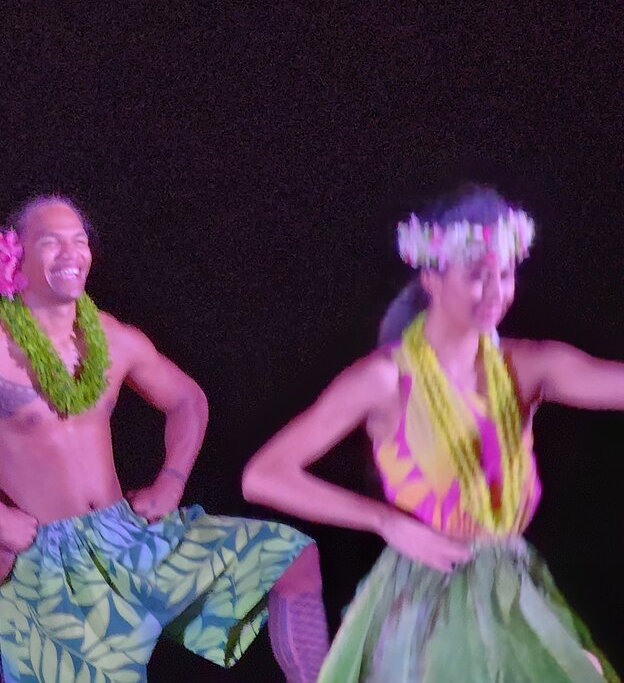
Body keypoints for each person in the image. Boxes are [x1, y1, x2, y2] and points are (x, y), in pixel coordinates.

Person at [0, 195, 328, 683]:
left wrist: (172, 481)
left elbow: (187, 400)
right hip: (51, 559)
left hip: (129, 535)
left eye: (79, 241)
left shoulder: (113, 338)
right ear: (14, 258)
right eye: (51, 242)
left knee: (292, 561)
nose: (71, 253)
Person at [242, 185, 618, 682]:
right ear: (432, 278)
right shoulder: (385, 380)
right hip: (427, 601)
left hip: (514, 591)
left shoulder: (529, 367)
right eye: (477, 275)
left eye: (506, 274)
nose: (497, 291)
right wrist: (384, 521)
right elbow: (264, 475)